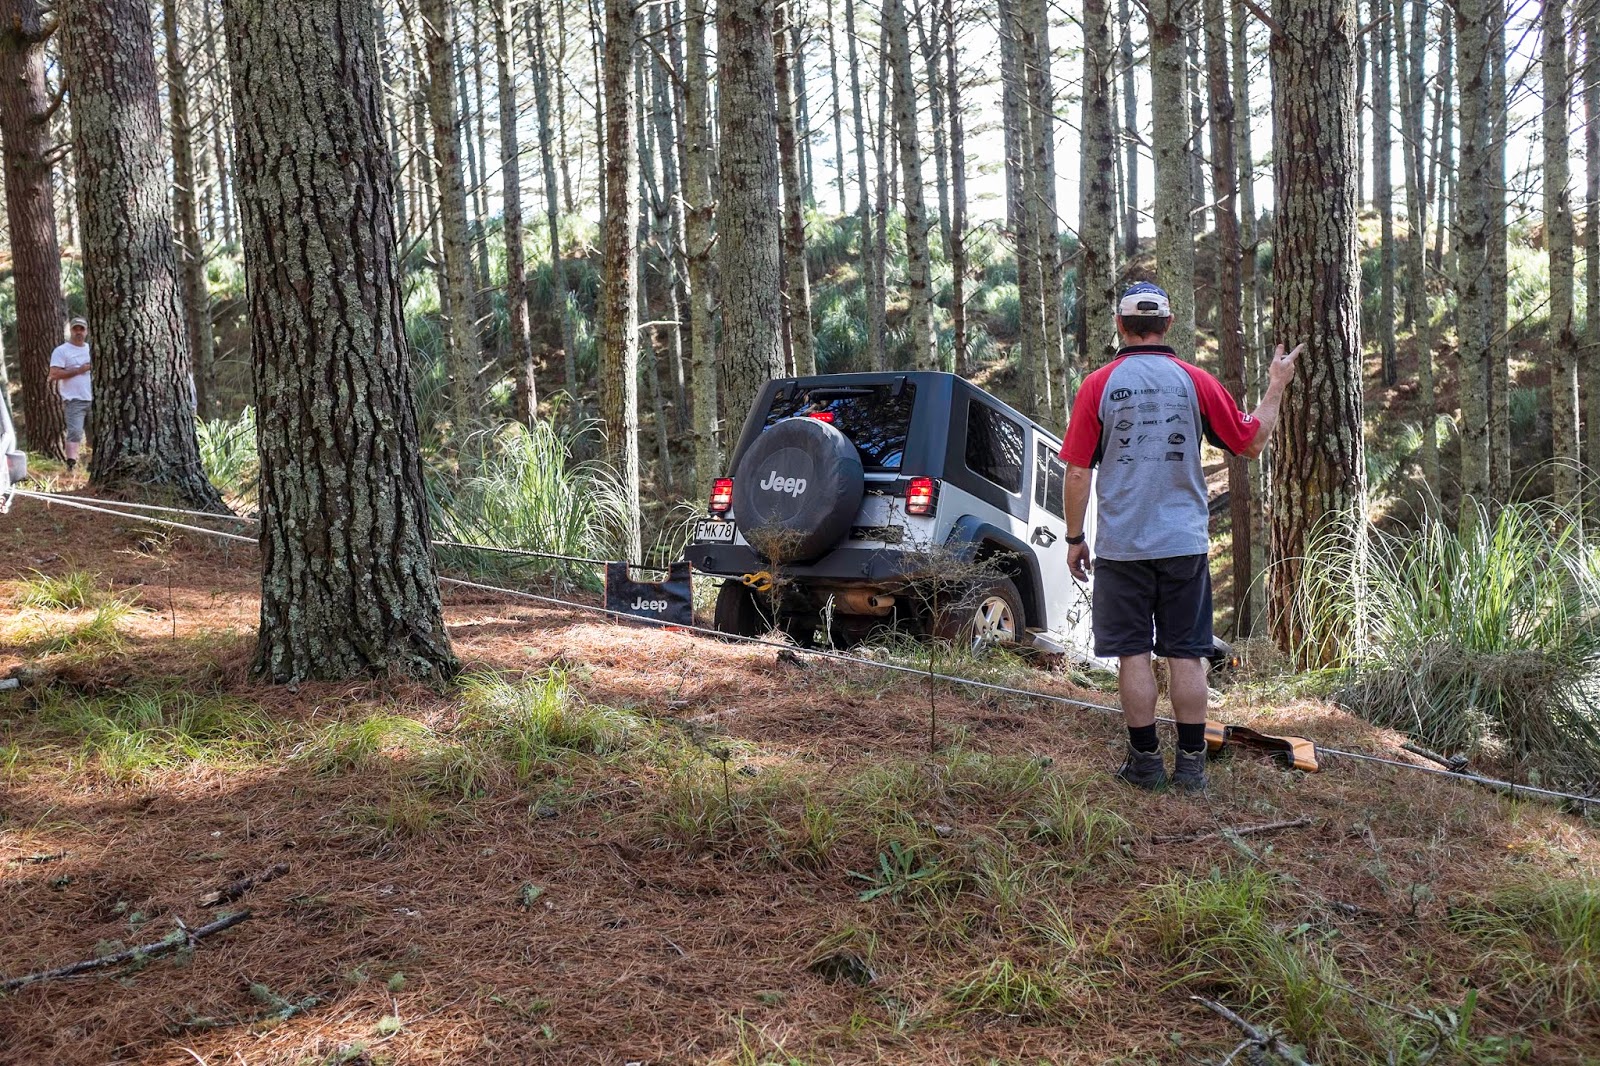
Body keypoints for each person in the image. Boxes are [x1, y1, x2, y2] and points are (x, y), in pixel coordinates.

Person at [1059, 282, 1301, 793]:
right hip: (1184, 544)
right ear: (1168, 324)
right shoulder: (1195, 381)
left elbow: (1078, 471)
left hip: (1123, 545)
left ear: (1120, 326)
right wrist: (1277, 384)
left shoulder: (1098, 385)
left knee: (1132, 654)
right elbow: (1252, 442)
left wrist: (1075, 537)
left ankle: (1145, 764)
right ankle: (1191, 767)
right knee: (1187, 654)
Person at [48, 316, 93, 474]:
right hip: (74, 400)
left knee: (97, 434)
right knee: (75, 432)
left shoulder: (92, 349)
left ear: (86, 331)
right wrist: (79, 370)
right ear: (71, 331)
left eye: (82, 329)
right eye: (75, 329)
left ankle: (93, 464)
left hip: (95, 399)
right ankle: (71, 465)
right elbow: (54, 373)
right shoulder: (62, 351)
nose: (78, 332)